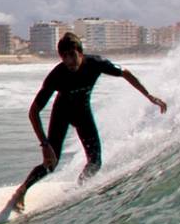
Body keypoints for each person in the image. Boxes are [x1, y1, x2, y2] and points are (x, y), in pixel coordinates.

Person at [10, 32, 166, 212]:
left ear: (80, 52)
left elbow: (124, 72)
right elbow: (33, 111)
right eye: (65, 57)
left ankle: (79, 188)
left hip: (82, 113)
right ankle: (22, 191)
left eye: (72, 55)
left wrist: (149, 95)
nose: (69, 61)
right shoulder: (57, 75)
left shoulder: (95, 64)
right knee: (51, 164)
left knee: (95, 162)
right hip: (62, 113)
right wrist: (45, 144)